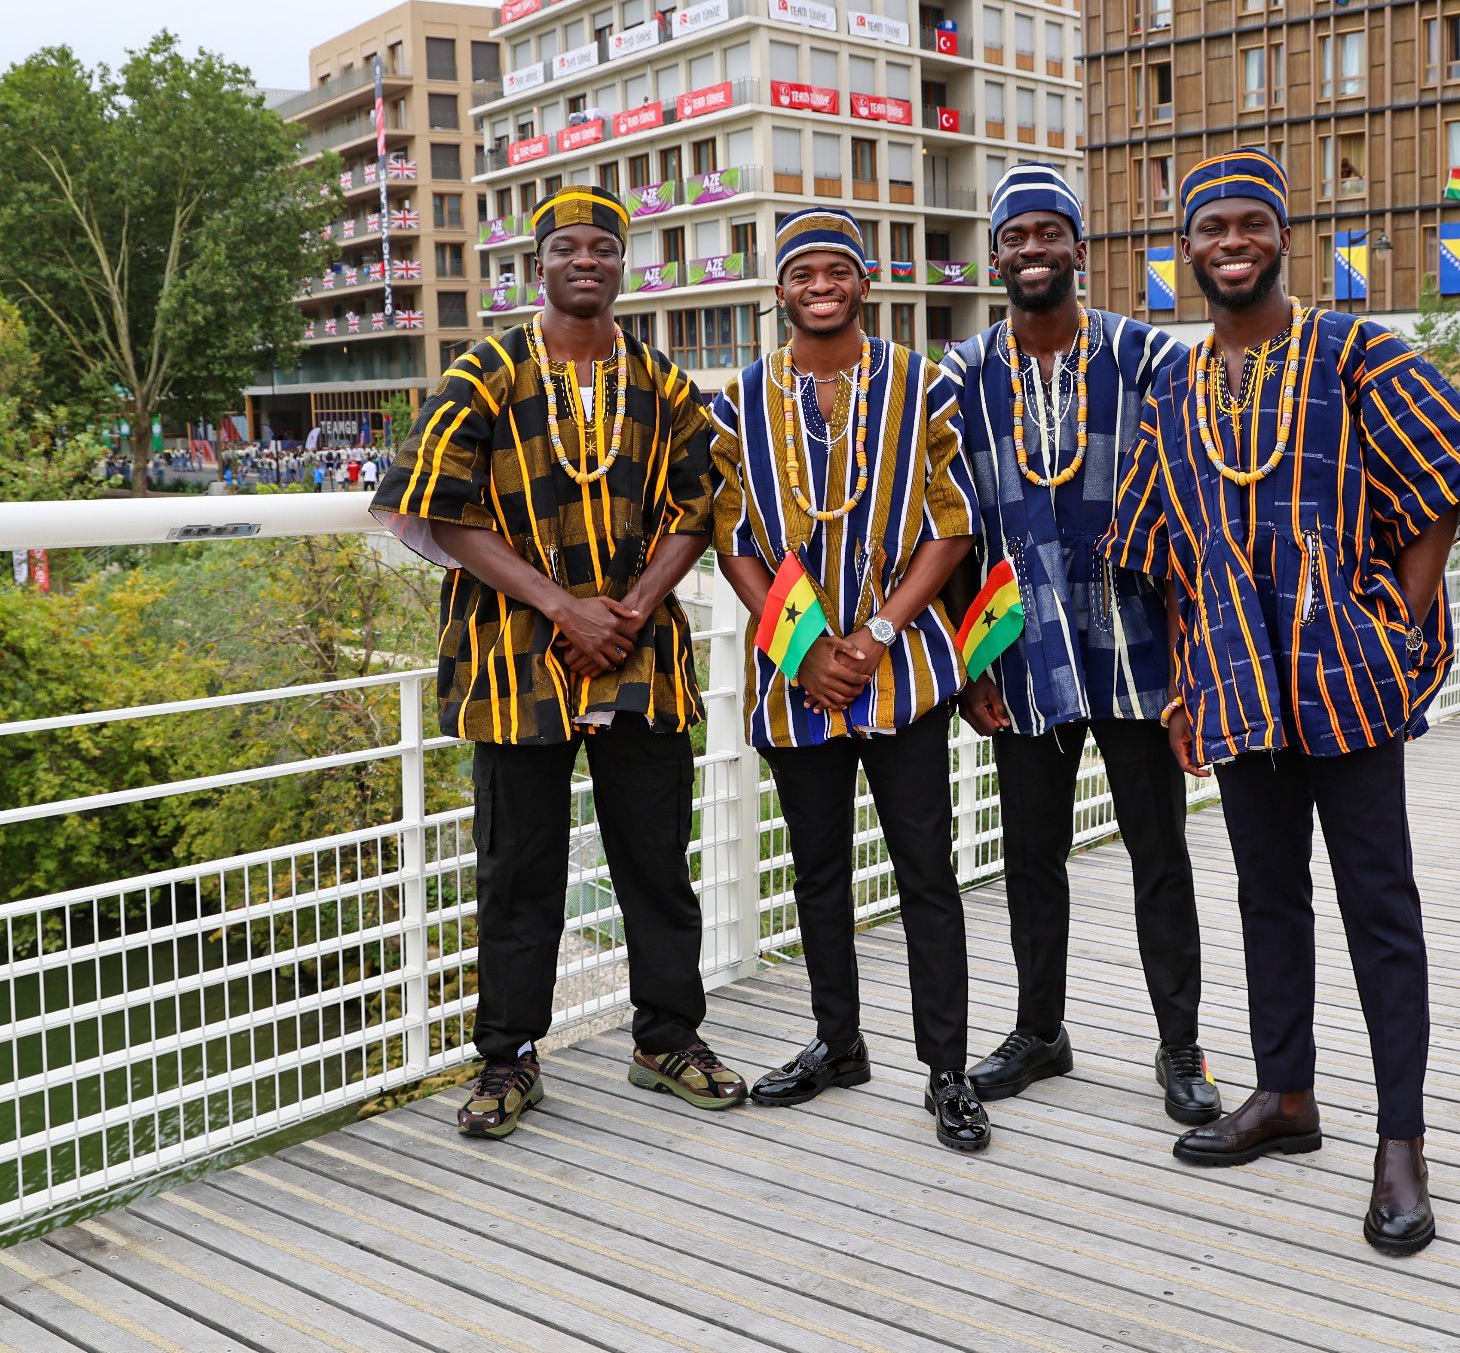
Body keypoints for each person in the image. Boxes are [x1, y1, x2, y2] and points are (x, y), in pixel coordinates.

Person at [1105, 146, 1460, 1253]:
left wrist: (1399, 618)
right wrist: (1186, 683)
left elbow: (1447, 474)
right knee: (1265, 896)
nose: (1230, 242)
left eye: (1250, 223)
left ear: (1282, 234)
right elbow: (1163, 555)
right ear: (1184, 247)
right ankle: (1285, 1093)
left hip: (1345, 674)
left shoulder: (1350, 351)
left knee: (1380, 907)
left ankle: (1400, 1140)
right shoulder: (1176, 385)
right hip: (1237, 680)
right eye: (1210, 228)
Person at [370, 184, 747, 1140]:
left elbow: (703, 501)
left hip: (637, 652)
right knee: (518, 868)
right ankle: (507, 1059)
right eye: (568, 248)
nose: (587, 261)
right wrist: (561, 608)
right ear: (537, 266)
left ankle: (667, 1039)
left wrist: (630, 609)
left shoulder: (658, 380)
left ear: (624, 266)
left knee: (655, 861)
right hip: (514, 657)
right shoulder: (484, 374)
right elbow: (441, 512)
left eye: (604, 249)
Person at [940, 163, 1220, 1125]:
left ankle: (1180, 1044)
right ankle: (1040, 1031)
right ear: (995, 257)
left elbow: (1191, 510)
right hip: (1021, 657)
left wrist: (1189, 666)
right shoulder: (961, 377)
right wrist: (969, 662)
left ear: (1079, 251)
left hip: (1138, 647)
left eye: (1046, 234)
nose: (1030, 251)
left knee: (1159, 856)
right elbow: (949, 529)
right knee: (1029, 857)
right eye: (1013, 238)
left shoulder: (1150, 360)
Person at [708, 206, 990, 1151]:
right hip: (797, 670)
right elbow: (734, 538)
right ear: (778, 289)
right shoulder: (742, 398)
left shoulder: (923, 384)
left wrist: (872, 633)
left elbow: (952, 525)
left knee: (926, 872)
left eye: (838, 270)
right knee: (819, 871)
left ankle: (947, 1069)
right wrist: (804, 647)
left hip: (900, 664)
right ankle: (838, 1043)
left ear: (864, 281)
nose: (820, 285)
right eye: (802, 273)